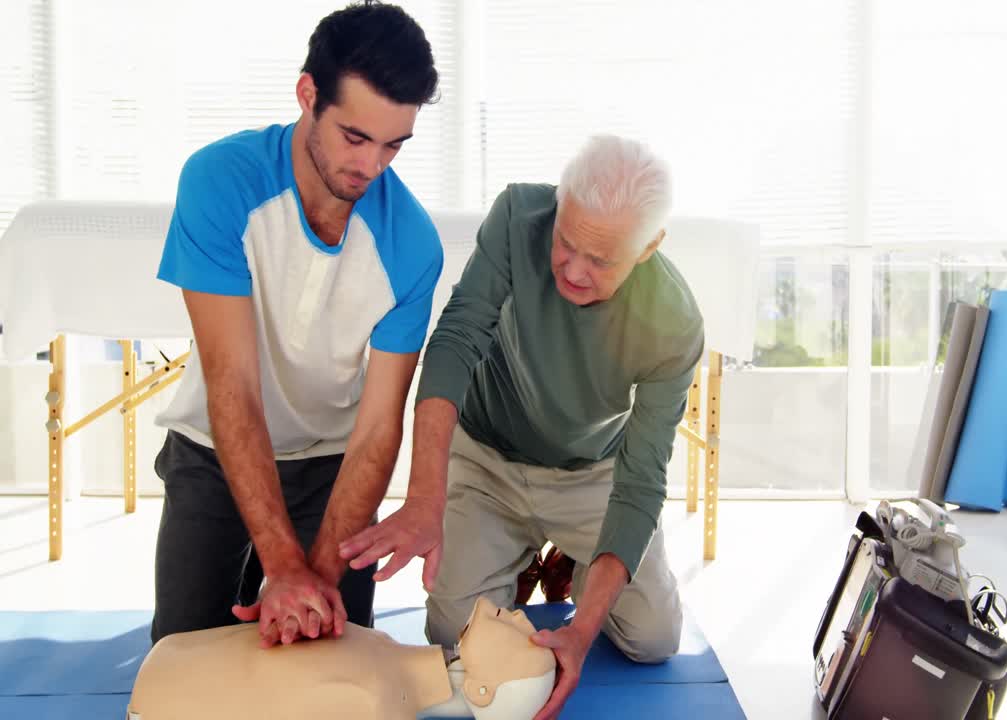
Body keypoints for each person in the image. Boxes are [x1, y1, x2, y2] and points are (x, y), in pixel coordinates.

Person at [340, 135, 704, 720]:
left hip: (594, 477)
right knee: (449, 636)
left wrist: (582, 632)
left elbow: (641, 482)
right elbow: (457, 338)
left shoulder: (674, 321)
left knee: (653, 638)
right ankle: (519, 553)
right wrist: (425, 495)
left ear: (648, 248)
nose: (574, 270)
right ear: (558, 206)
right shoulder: (517, 215)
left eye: (602, 259)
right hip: (487, 459)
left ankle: (574, 561)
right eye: (566, 241)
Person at [149, 0, 442, 648]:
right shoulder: (219, 182)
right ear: (308, 94)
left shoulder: (413, 245)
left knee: (330, 666)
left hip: (331, 468)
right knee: (185, 664)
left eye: (394, 144)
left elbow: (375, 429)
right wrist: (282, 566)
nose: (372, 166)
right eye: (355, 137)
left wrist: (316, 575)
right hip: (213, 451)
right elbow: (233, 385)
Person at [128, 596, 556, 720]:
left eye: (519, 639)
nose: (521, 616)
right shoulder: (386, 655)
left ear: (483, 691)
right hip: (173, 668)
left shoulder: (376, 702)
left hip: (164, 695)